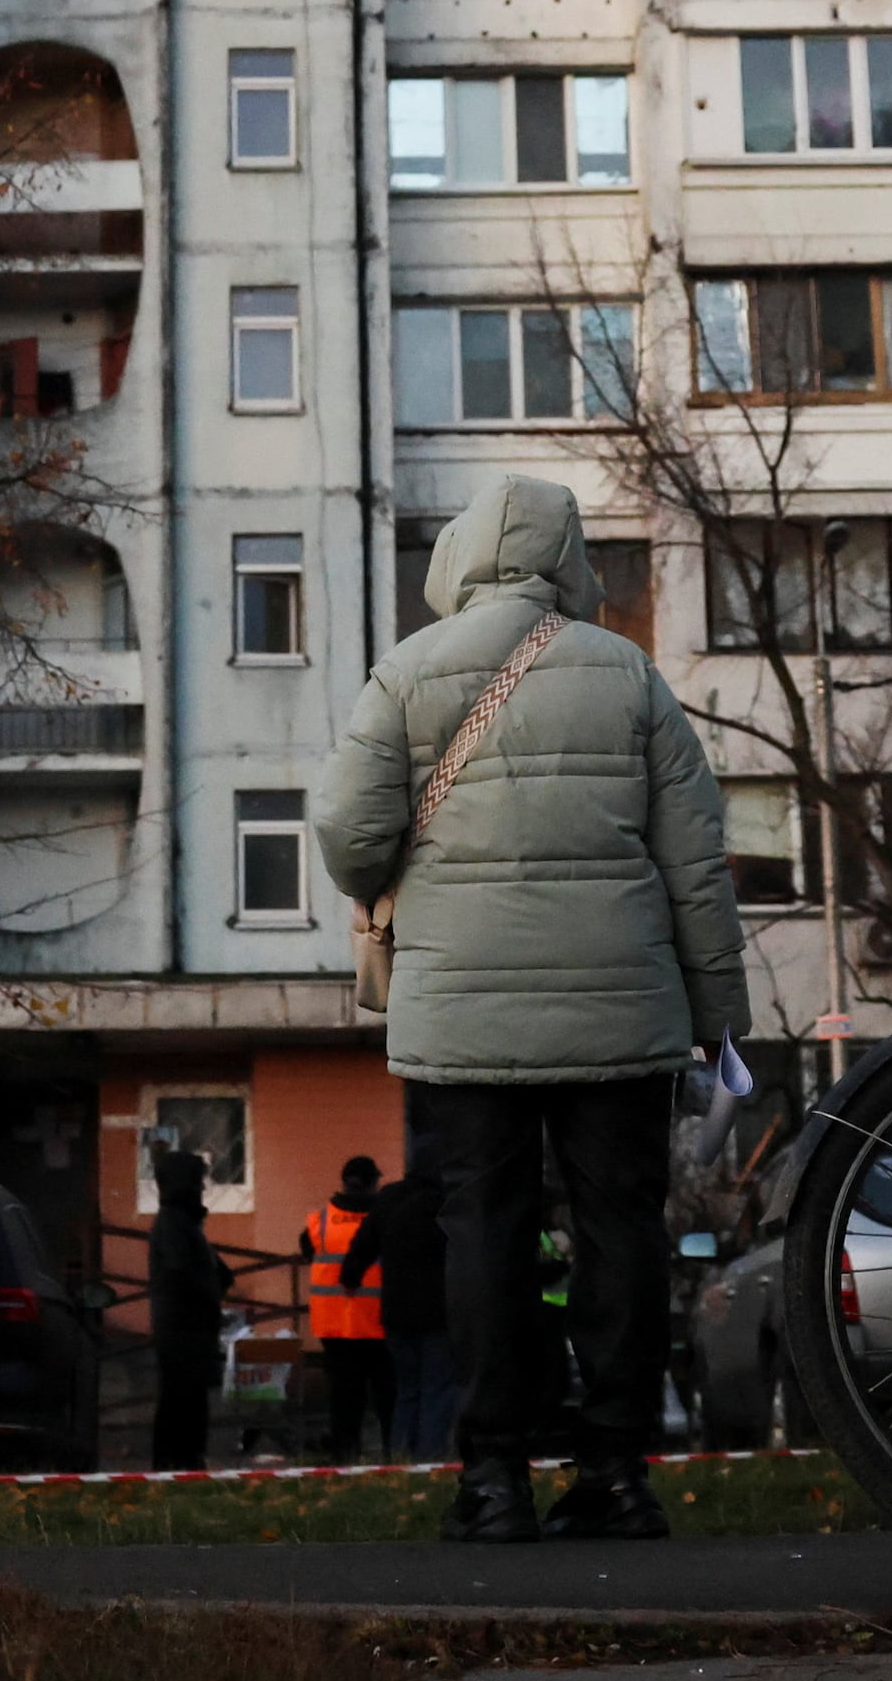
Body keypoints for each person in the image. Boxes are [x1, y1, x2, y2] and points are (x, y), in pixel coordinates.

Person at [318, 475, 748, 1544]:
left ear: (458, 559)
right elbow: (695, 859)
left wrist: (409, 870)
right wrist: (715, 1008)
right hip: (620, 1009)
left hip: (464, 1015)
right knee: (619, 1233)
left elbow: (345, 831)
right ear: (571, 561)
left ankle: (493, 1478)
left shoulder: (407, 674)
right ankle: (615, 1470)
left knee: (484, 1234)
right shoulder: (629, 675)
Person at [304, 1153, 393, 1460]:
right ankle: (392, 1453)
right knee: (386, 1394)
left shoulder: (321, 1220)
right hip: (377, 1322)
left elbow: (306, 1250)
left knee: (344, 1394)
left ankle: (345, 1451)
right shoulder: (385, 1217)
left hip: (335, 1324)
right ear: (373, 1185)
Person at [144, 1145, 227, 1470]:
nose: (203, 1188)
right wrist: (210, 1290)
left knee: (185, 1399)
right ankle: (179, 1464)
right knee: (183, 1401)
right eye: (198, 1181)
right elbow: (185, 1271)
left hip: (185, 1328)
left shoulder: (179, 1222)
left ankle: (182, 1462)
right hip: (184, 1329)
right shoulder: (176, 1223)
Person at [368, 1159, 457, 1460]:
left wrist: (351, 1274)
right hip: (437, 1315)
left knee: (407, 1390)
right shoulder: (447, 1209)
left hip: (396, 1313)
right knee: (437, 1389)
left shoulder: (390, 1204)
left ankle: (400, 1453)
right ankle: (430, 1456)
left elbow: (364, 1246)